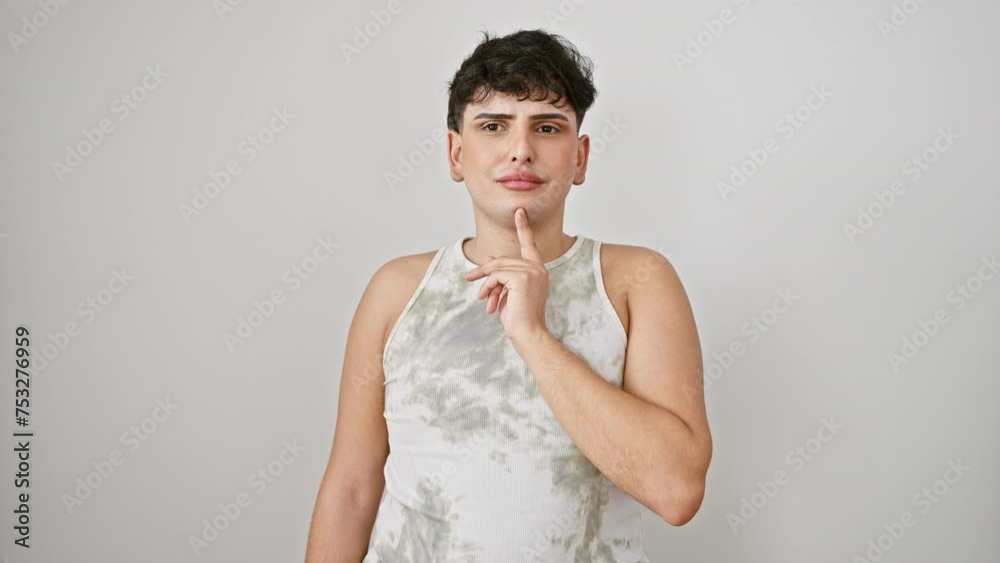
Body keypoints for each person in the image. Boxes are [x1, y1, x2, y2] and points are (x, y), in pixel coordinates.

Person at [305, 28, 712, 563]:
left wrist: (533, 336)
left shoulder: (637, 280)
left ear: (581, 158)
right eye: (493, 126)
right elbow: (352, 490)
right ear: (455, 154)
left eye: (547, 126)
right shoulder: (397, 290)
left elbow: (676, 490)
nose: (521, 149)